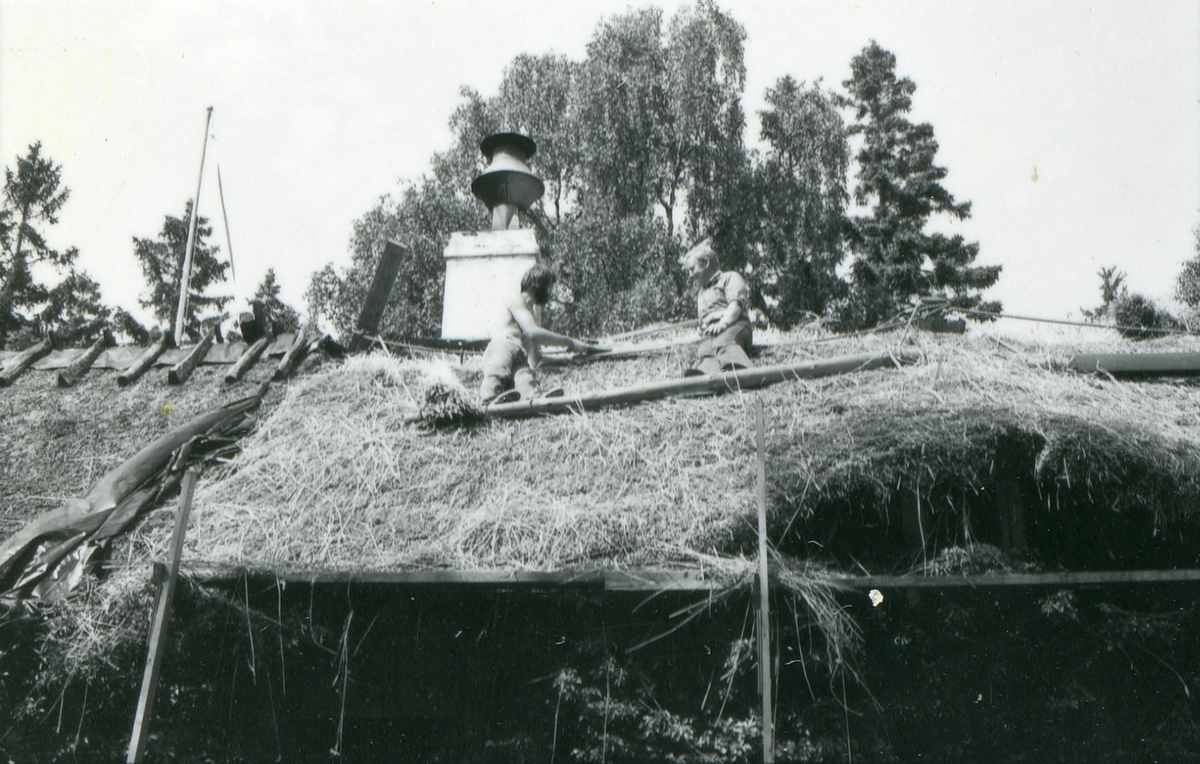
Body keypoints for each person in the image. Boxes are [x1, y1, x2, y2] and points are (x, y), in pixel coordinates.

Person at [479, 264, 606, 404]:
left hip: (519, 355)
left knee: (526, 378)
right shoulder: (517, 299)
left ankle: (533, 398)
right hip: (501, 347)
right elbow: (533, 333)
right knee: (497, 374)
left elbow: (536, 360)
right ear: (537, 285)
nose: (550, 293)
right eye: (548, 288)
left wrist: (569, 359)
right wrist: (570, 342)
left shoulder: (529, 312)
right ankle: (489, 398)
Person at [679, 238, 753, 376]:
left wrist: (721, 324)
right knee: (705, 351)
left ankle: (744, 374)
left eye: (692, 269)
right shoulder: (702, 292)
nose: (690, 276)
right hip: (713, 334)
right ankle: (706, 378)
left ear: (706, 263)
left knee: (723, 342)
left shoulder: (730, 278)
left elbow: (735, 307)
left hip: (736, 325)